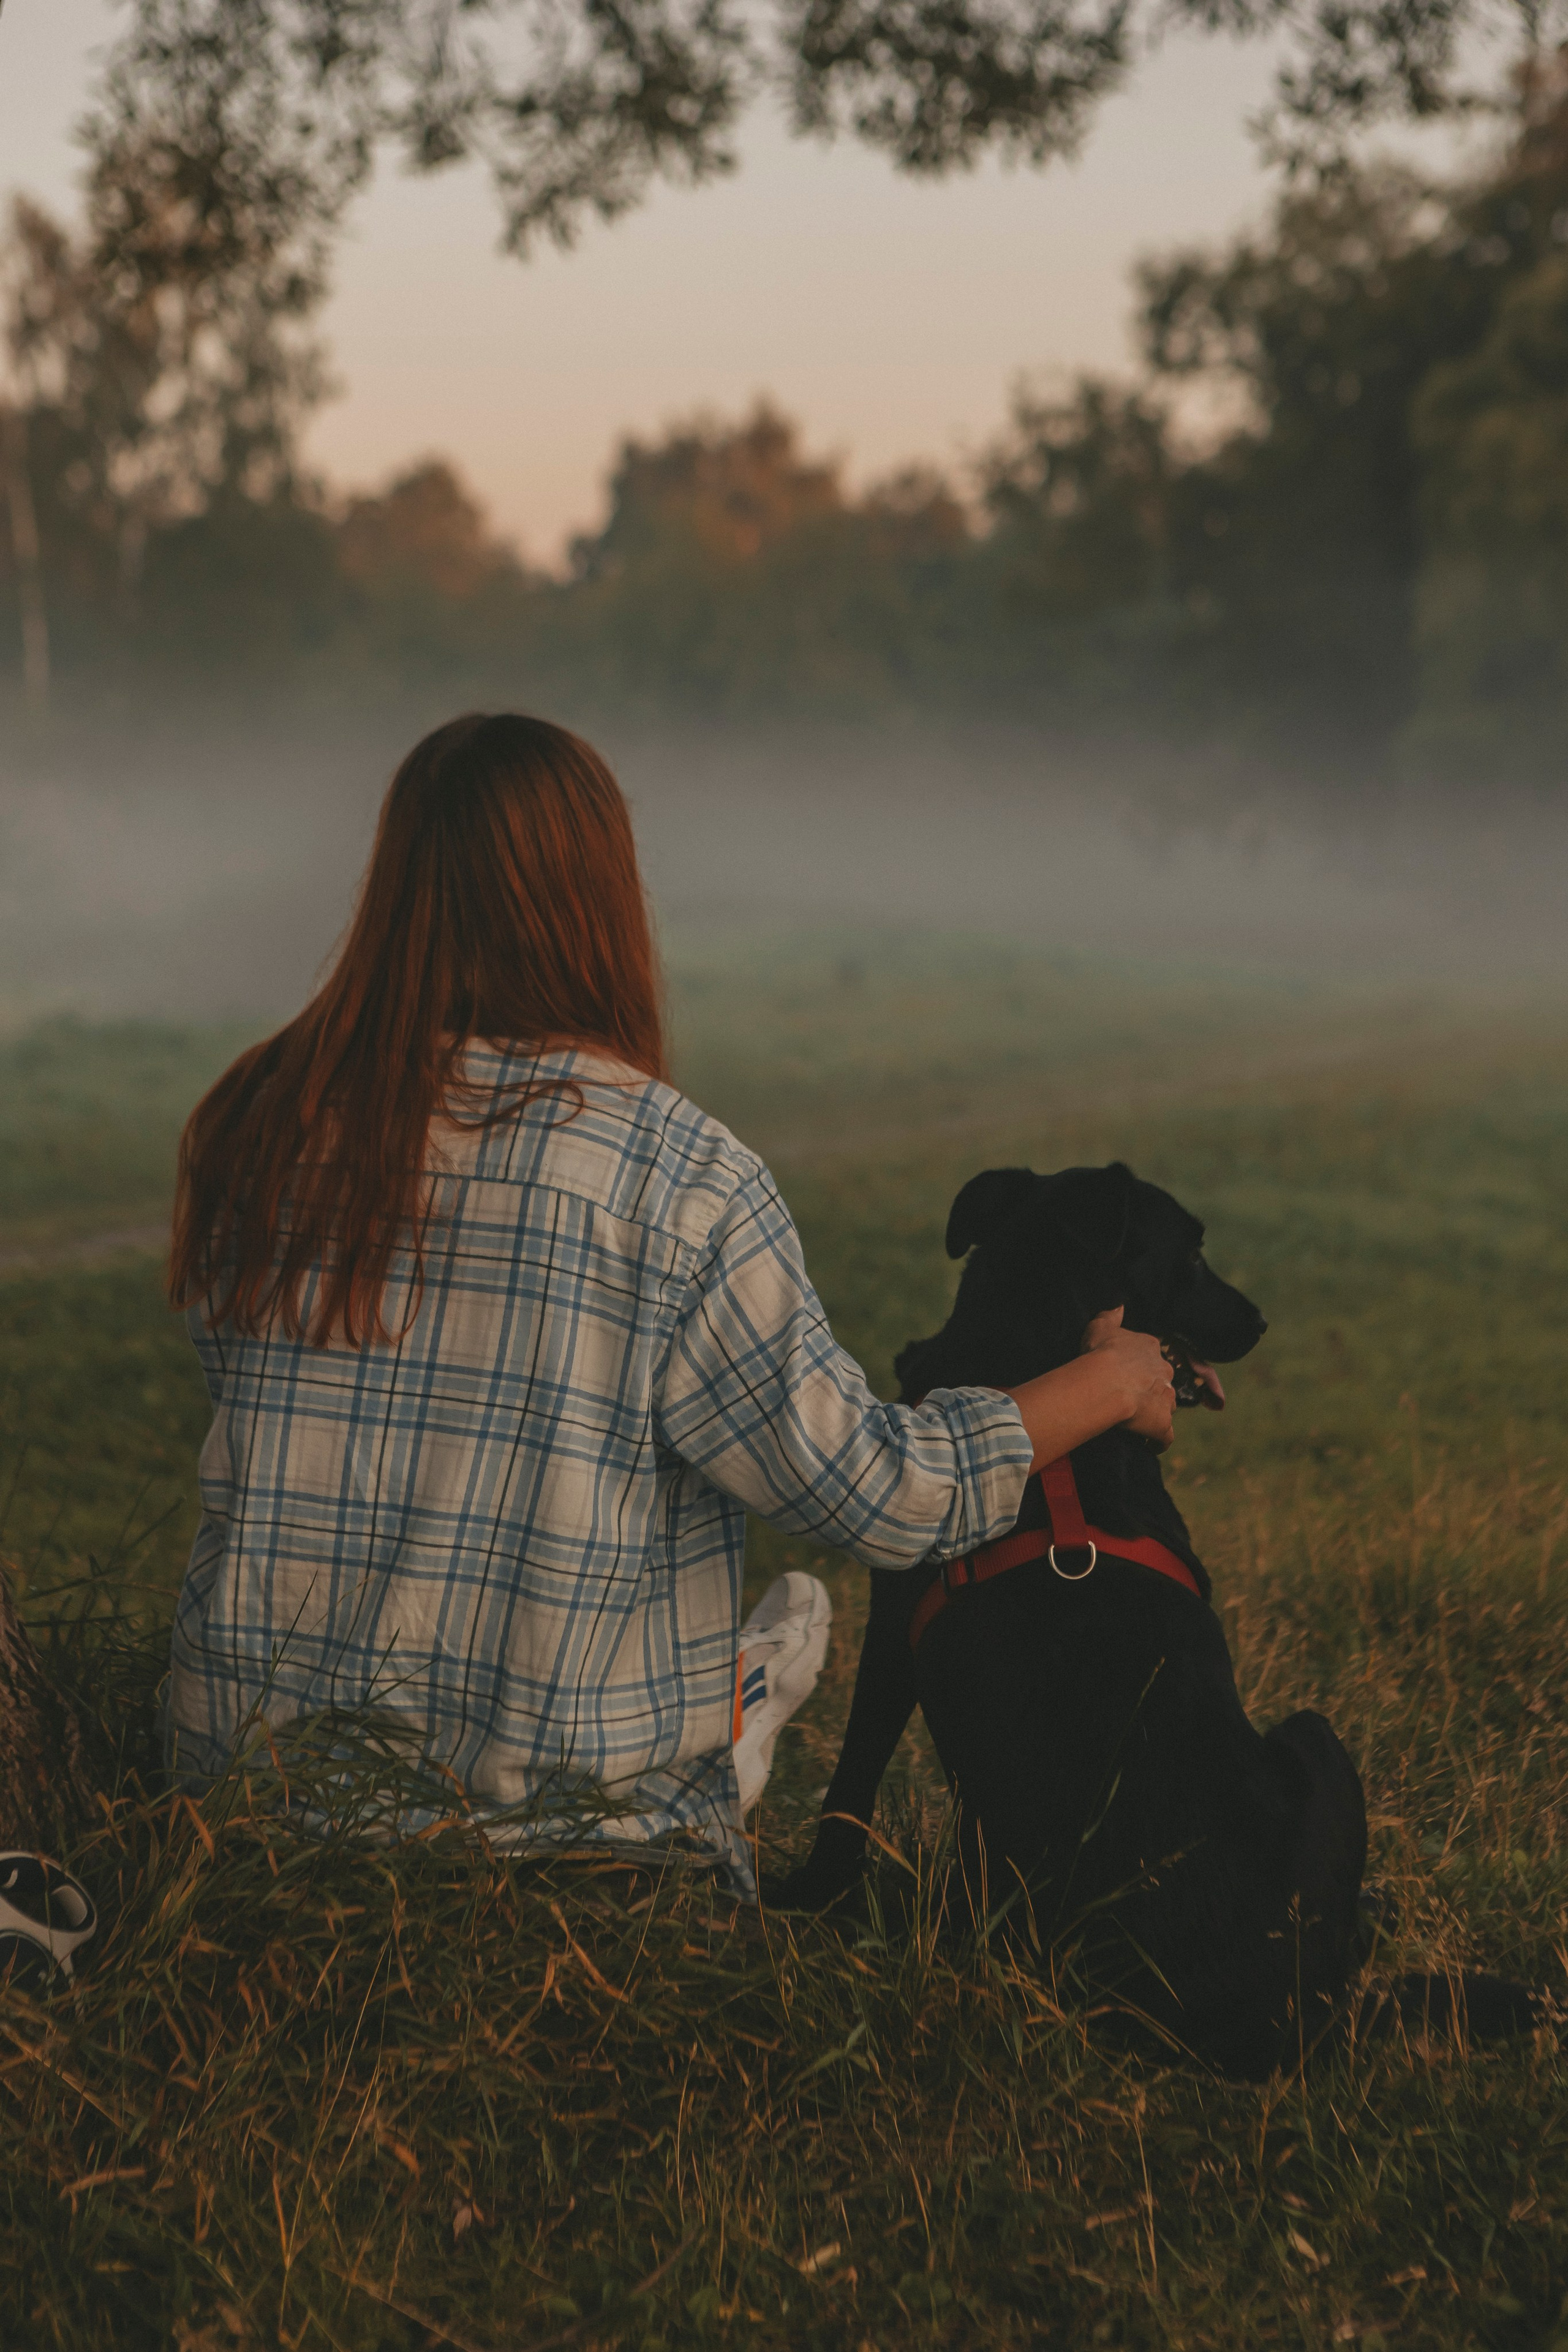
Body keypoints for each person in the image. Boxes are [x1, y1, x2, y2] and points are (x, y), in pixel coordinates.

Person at [166, 713, 1174, 1892]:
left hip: (242, 1810)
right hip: (547, 1843)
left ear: (396, 886)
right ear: (601, 898)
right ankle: (733, 1710)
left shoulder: (256, 1124)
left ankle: (731, 1690)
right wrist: (1109, 1383)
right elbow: (884, 1499)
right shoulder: (673, 1175)